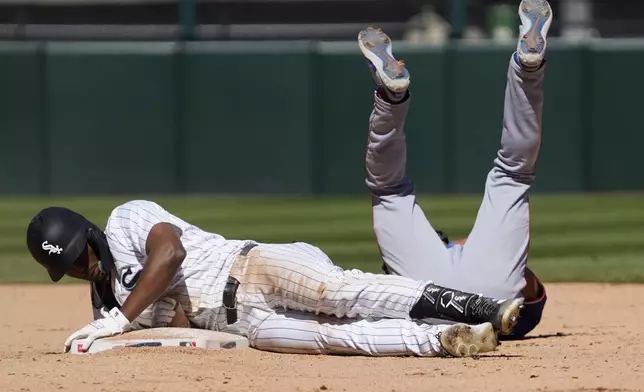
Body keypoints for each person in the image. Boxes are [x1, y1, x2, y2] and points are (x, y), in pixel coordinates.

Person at [26, 198, 522, 358]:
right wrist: (119, 328)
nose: (79, 265)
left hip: (250, 267)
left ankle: (481, 308)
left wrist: (121, 320)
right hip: (243, 327)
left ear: (87, 235)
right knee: (333, 339)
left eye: (78, 253)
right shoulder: (104, 302)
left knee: (344, 292)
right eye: (66, 265)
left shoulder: (124, 220)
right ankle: (448, 339)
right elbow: (169, 328)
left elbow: (170, 251)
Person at [359, 0, 551, 339]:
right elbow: (529, 284)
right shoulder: (434, 253)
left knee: (514, 173)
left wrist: (478, 252)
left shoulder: (453, 255)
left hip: (461, 296)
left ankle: (528, 69)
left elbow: (527, 284)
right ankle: (390, 98)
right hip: (455, 297)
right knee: (389, 189)